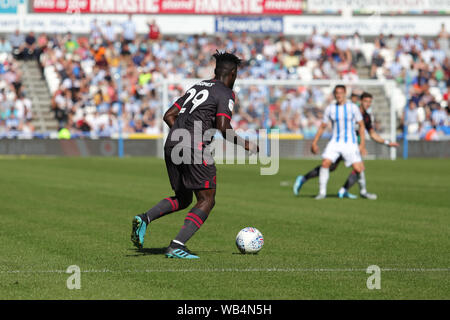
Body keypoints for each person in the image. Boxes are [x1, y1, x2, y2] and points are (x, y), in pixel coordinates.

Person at [131, 51, 258, 259]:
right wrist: (247, 145)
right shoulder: (225, 92)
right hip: (193, 147)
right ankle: (176, 245)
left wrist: (183, 135)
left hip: (172, 143)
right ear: (233, 74)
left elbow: (168, 115)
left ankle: (145, 218)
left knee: (183, 198)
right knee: (207, 199)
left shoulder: (198, 86)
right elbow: (224, 127)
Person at [294, 91, 399, 199]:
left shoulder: (366, 117)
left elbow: (372, 133)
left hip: (351, 146)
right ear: (360, 101)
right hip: (340, 143)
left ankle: (347, 190)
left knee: (358, 168)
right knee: (330, 166)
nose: (368, 104)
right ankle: (304, 179)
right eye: (366, 101)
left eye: (370, 102)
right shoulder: (351, 111)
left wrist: (387, 143)